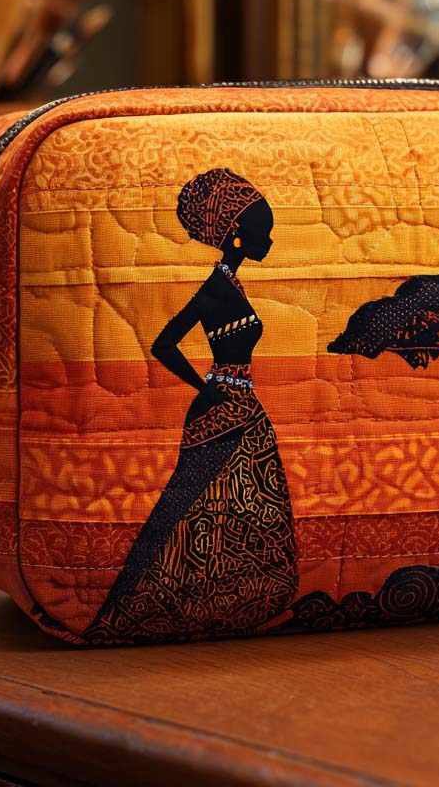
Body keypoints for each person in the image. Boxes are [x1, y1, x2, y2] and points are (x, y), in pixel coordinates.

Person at [86, 168, 298, 643]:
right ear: (237, 234)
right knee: (192, 501)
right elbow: (163, 345)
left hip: (241, 404)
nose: (270, 239)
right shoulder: (215, 290)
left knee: (235, 502)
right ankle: (147, 602)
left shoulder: (230, 285)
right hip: (223, 407)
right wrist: (206, 388)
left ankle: (228, 596)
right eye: (264, 230)